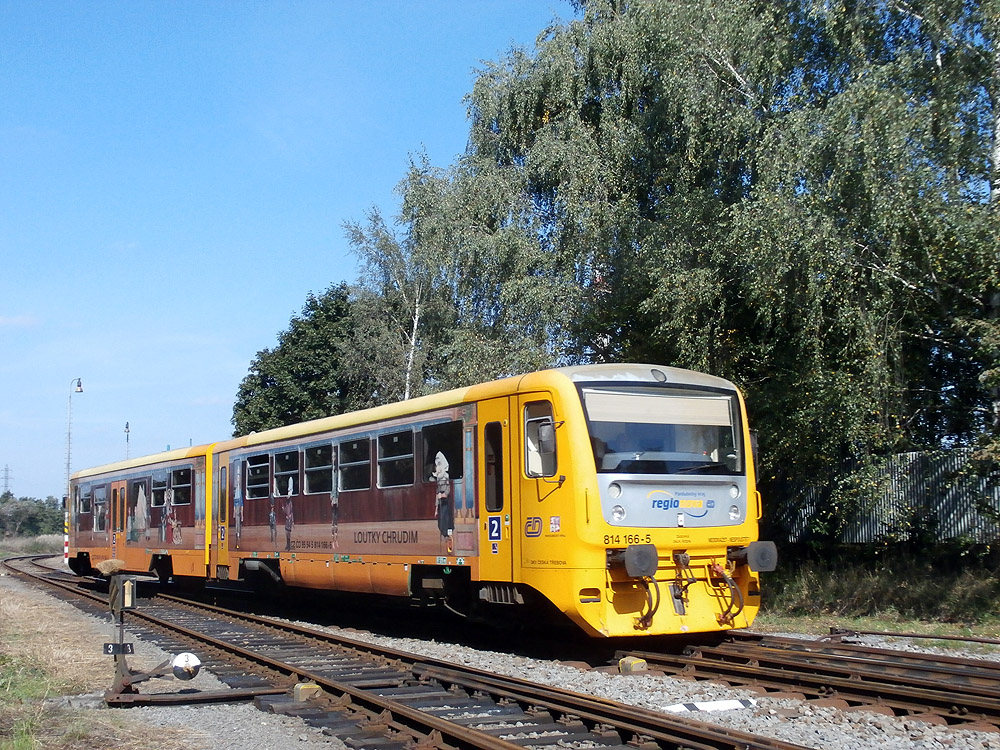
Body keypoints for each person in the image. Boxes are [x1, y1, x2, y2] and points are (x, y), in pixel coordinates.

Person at [431, 452, 453, 546]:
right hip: (441, 503)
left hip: (445, 503)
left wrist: (443, 495)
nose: (436, 468)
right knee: (441, 521)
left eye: (437, 466)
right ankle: (445, 535)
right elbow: (437, 493)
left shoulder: (445, 478)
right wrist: (436, 508)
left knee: (446, 519)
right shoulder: (439, 479)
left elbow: (447, 490)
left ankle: (448, 535)